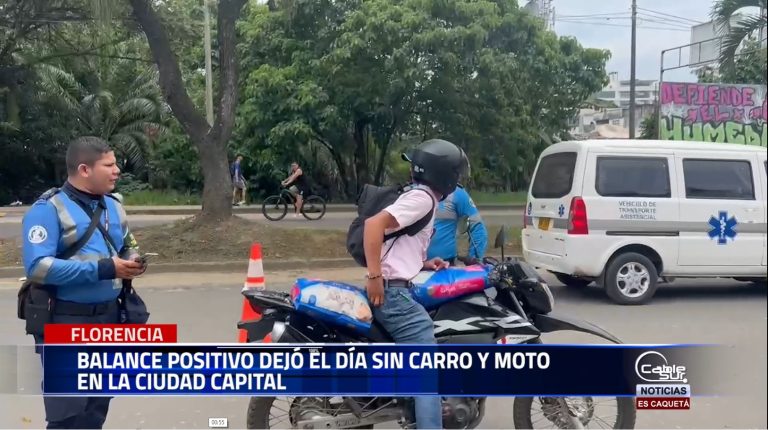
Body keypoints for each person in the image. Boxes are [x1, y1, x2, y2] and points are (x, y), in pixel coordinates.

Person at [22, 136, 146, 429]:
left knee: (96, 406)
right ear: (84, 169)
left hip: (109, 319)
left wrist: (134, 260)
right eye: (109, 165)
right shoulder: (47, 209)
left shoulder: (114, 206)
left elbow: (127, 244)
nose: (117, 171)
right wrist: (104, 268)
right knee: (68, 413)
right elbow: (38, 268)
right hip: (65, 321)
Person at [362, 138, 469, 429]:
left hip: (397, 286)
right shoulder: (422, 199)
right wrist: (374, 277)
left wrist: (423, 263)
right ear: (445, 175)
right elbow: (374, 226)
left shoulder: (421, 197)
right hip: (393, 294)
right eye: (456, 174)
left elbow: (397, 241)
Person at [427, 185, 488, 265]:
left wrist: (474, 260)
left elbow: (478, 227)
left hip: (444, 266)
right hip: (410, 266)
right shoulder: (409, 192)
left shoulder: (456, 193)